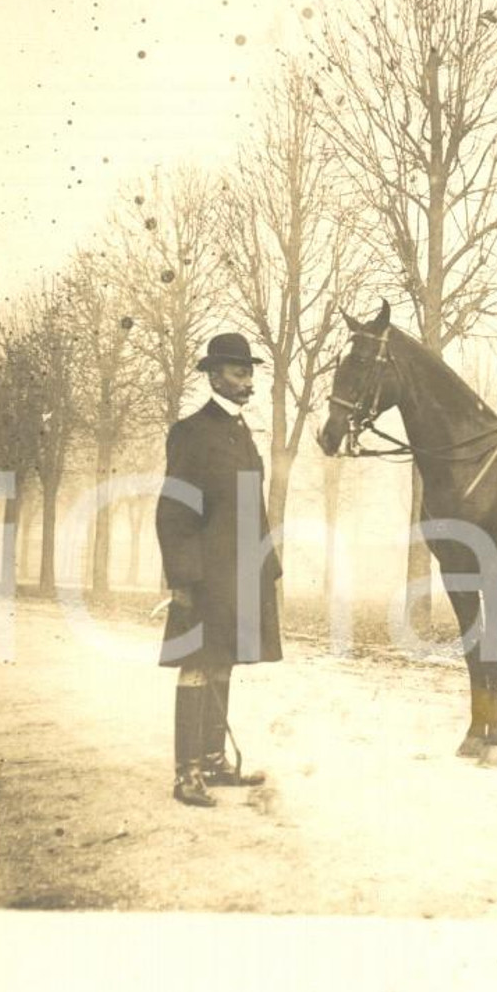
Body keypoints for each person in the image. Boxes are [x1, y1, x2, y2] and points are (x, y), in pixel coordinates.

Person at [155, 333, 283, 807]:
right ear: (214, 376)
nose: (247, 382)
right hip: (205, 576)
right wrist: (184, 581)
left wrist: (267, 566)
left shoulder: (243, 433)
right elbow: (174, 513)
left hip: (242, 574)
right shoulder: (191, 432)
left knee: (223, 661)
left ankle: (213, 761)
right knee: (196, 665)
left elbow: (254, 507)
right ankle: (185, 773)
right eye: (238, 372)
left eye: (249, 372)